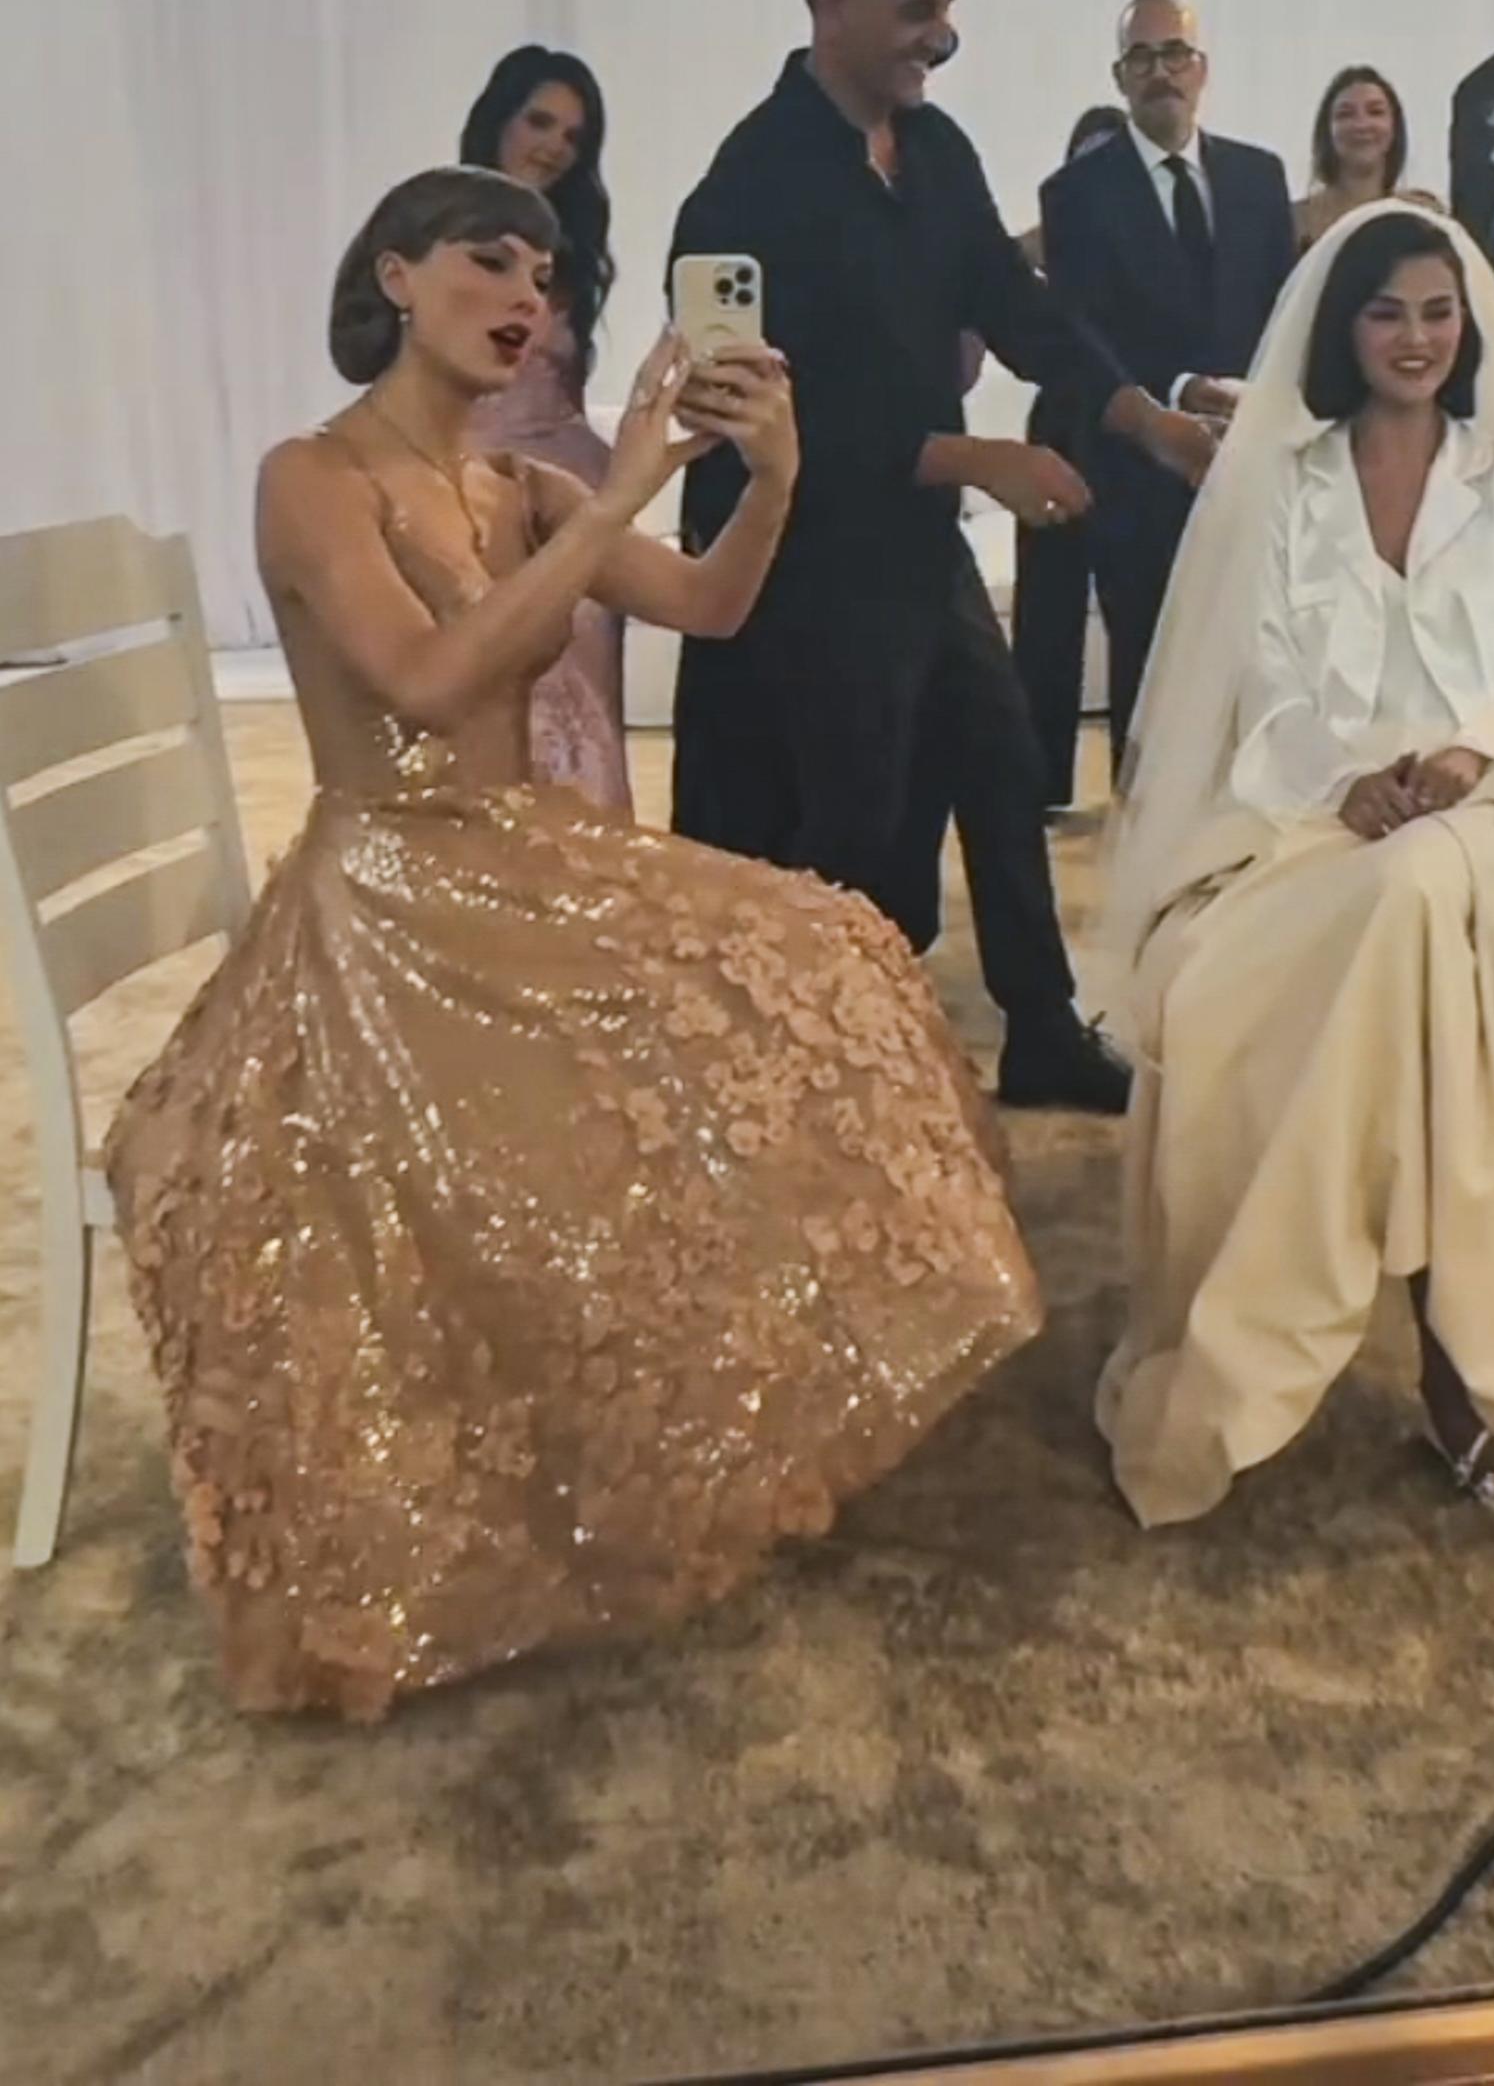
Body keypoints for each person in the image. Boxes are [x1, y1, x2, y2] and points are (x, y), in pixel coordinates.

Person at [103, 166, 1041, 1720]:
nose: (524, 299)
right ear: (395, 276)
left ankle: (700, 1417)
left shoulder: (515, 486)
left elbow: (711, 606)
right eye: (488, 262)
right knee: (674, 1050)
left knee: (833, 957)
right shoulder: (312, 477)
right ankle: (585, 1449)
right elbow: (424, 682)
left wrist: (774, 478)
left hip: (522, 856)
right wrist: (616, 492)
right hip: (390, 898)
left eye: (541, 277)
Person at [1096, 203, 1494, 1535]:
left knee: (1421, 884)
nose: (1415, 338)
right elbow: (1262, 685)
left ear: (1468, 326)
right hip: (1310, 812)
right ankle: (1469, 1367)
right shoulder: (1287, 484)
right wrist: (1345, 778)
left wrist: (1463, 753)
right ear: (1344, 327)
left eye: (1439, 312)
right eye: (1387, 312)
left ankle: (1377, 1347)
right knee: (1299, 942)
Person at [668, 0, 1212, 1115]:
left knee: (1001, 760)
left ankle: (1039, 1029)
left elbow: (1020, 312)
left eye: (946, 10)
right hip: (798, 562)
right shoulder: (749, 186)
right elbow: (764, 412)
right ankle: (835, 1067)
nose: (941, 36)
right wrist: (974, 461)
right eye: (917, 11)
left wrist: (1147, 420)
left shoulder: (937, 152)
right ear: (830, 4)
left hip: (915, 544)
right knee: (851, 820)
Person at [1038, 0, 1295, 768]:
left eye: (1175, 54)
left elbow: (1283, 313)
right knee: (1151, 672)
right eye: (1142, 57)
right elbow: (1082, 333)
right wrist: (1177, 392)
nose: (1162, 72)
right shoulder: (1076, 193)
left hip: (1249, 462)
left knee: (1257, 664)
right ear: (1120, 77)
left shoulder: (1258, 178)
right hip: (1137, 467)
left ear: (1202, 68)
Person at [459, 43, 631, 808]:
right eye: (539, 122)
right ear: (498, 120)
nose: (555, 145)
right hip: (476, 492)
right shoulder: (441, 234)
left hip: (575, 491)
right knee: (493, 689)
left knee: (582, 690)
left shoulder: (571, 250)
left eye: (573, 135)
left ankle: (588, 854)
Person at [1007, 105, 1126, 809]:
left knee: (1130, 603)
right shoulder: (1052, 231)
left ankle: (1134, 778)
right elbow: (1002, 269)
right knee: (1046, 606)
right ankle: (1042, 778)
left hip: (1127, 416)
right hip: (1060, 418)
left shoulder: (1147, 235)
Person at [1294, 63, 1443, 250]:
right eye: (1345, 114)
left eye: (1375, 112)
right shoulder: (1297, 221)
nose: (1361, 125)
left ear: (1395, 128)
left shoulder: (1424, 216)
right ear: (1327, 131)